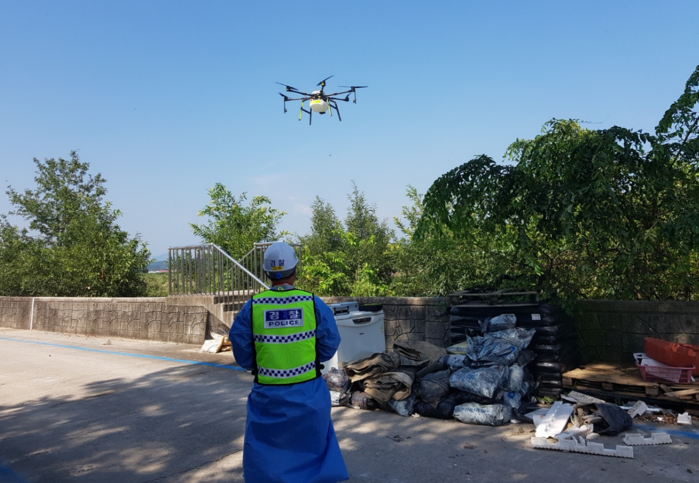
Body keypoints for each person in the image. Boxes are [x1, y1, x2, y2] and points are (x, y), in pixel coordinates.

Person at [230, 241, 349, 483]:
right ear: (295, 271)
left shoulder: (253, 306)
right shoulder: (312, 303)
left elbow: (241, 349)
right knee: (313, 442)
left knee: (266, 447)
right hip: (309, 392)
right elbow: (329, 343)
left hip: (267, 395)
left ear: (267, 273)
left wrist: (263, 364)